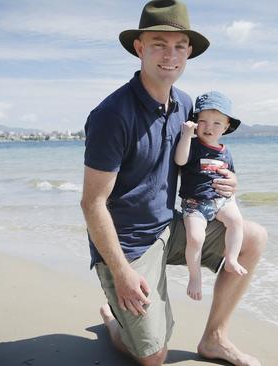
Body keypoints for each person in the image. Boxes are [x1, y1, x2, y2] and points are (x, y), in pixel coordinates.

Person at [80, 1, 266, 366]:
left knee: (253, 237)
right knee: (153, 357)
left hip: (171, 226)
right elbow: (92, 204)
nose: (170, 54)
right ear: (139, 48)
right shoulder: (111, 116)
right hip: (130, 246)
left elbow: (200, 159)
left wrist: (228, 180)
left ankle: (215, 339)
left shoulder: (184, 106)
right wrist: (122, 273)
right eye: (159, 43)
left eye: (179, 46)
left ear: (189, 52)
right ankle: (115, 321)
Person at [175, 91, 247, 301]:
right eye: (203, 121)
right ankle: (195, 277)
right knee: (196, 238)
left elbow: (231, 176)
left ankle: (231, 259)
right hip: (194, 204)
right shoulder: (194, 145)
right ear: (196, 122)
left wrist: (233, 186)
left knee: (236, 222)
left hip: (221, 201)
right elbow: (180, 161)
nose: (209, 127)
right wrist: (187, 135)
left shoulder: (225, 151)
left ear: (226, 127)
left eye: (217, 123)